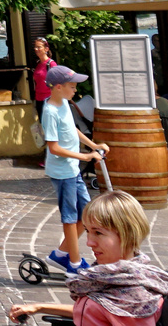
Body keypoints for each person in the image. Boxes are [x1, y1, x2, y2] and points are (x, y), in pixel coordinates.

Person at [9, 190, 168, 325]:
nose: (89, 242)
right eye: (88, 231)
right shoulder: (119, 280)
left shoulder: (135, 295)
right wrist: (39, 307)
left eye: (98, 233)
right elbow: (100, 308)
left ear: (127, 233)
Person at [41, 64, 111, 274]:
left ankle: (60, 255)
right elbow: (53, 148)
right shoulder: (50, 111)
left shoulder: (64, 104)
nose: (76, 90)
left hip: (73, 169)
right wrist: (84, 156)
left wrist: (93, 146)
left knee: (87, 214)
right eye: (72, 86)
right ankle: (73, 263)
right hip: (63, 173)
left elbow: (72, 130)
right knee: (70, 218)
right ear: (59, 87)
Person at [32, 36, 58, 123]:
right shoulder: (38, 64)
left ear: (46, 49)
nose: (36, 49)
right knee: (43, 126)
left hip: (49, 100)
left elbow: (57, 83)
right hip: (39, 100)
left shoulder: (51, 64)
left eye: (39, 47)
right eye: (35, 47)